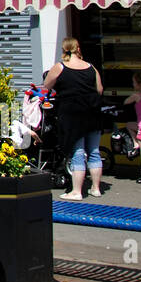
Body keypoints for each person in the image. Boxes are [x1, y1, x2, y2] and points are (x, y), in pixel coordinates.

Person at [42, 37, 104, 200]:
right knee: (94, 151)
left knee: (77, 152)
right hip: (92, 112)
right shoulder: (91, 67)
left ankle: (77, 191)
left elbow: (47, 85)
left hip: (72, 114)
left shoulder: (60, 67)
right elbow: (99, 89)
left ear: (64, 50)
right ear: (78, 49)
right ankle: (96, 188)